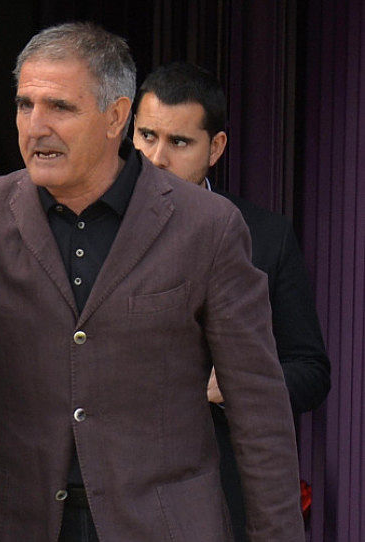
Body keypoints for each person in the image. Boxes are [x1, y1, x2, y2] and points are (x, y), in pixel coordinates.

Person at [0, 22, 305, 541]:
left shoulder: (206, 226)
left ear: (117, 117)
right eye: (24, 105)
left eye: (60, 107)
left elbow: (259, 409)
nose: (36, 126)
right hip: (20, 522)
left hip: (167, 526)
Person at [131, 61, 330, 541]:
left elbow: (311, 370)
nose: (157, 157)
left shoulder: (265, 235)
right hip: (118, 484)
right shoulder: (91, 226)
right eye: (146, 136)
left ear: (215, 147)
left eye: (179, 142)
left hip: (219, 492)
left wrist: (246, 382)